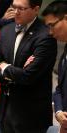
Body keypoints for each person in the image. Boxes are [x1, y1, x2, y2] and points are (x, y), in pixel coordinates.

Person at [0, 0, 57, 132]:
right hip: (6, 110)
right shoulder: (6, 30)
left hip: (31, 115)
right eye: (14, 7)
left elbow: (28, 76)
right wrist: (15, 74)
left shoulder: (46, 36)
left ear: (36, 9)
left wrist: (4, 66)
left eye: (22, 8)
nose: (16, 12)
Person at [42, 1, 67, 133]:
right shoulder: (64, 54)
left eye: (52, 25)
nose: (50, 32)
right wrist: (58, 111)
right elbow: (59, 88)